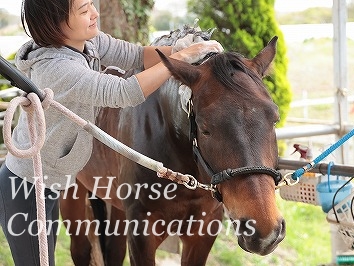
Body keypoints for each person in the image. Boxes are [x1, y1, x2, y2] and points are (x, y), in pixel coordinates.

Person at [0, 0, 223, 265]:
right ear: (55, 24)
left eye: (91, 4)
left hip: (53, 178)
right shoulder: (58, 69)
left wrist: (178, 50)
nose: (94, 13)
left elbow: (137, 56)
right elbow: (123, 92)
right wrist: (178, 60)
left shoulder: (87, 43)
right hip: (27, 184)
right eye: (84, 10)